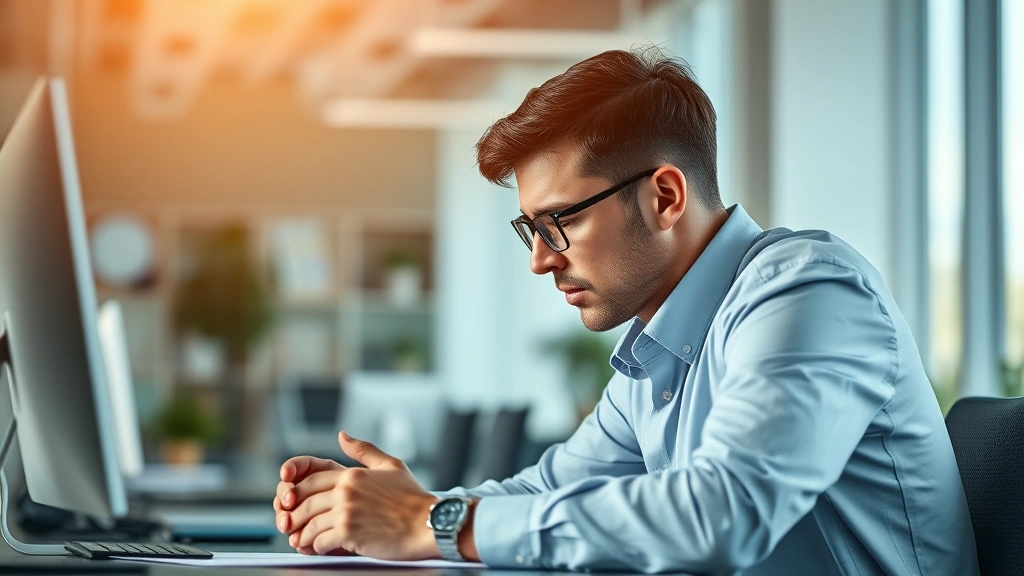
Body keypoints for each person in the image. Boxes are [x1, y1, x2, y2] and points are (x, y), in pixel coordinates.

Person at [273, 48, 978, 575]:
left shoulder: (809, 292)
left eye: (559, 223)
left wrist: (437, 521)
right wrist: (391, 506)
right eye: (530, 230)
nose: (540, 261)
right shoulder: (657, 354)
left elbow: (720, 514)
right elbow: (544, 491)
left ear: (665, 197)